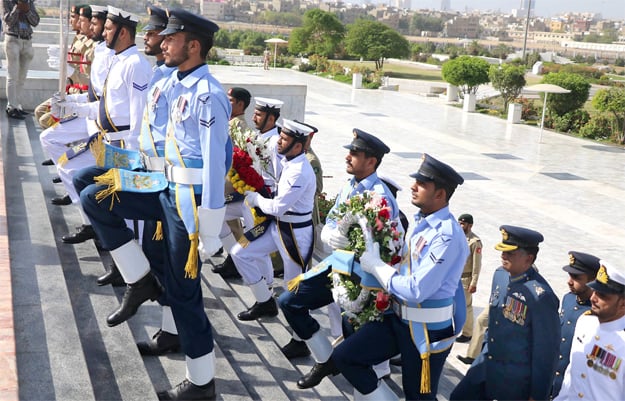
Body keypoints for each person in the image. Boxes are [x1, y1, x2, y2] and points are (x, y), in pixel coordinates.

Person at [79, 8, 231, 400]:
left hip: (189, 203)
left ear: (193, 46)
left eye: (172, 38)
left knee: (184, 290)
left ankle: (202, 382)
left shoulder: (207, 95)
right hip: (160, 185)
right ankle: (139, 278)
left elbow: (216, 164)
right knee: (93, 195)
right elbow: (155, 145)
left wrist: (211, 228)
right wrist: (115, 161)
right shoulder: (174, 83)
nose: (162, 42)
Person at [332, 153, 468, 400]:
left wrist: (376, 266)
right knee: (346, 357)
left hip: (427, 332)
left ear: (440, 194)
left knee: (419, 397)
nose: (413, 187)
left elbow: (417, 289)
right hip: (398, 318)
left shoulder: (446, 236)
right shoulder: (423, 221)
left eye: (423, 184)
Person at [277, 129, 399, 389]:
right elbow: (332, 218)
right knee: (290, 301)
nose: (348, 156)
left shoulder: (381, 197)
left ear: (371, 161)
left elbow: (389, 246)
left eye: (355, 153)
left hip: (361, 278)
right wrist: (331, 234)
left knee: (353, 342)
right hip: (338, 267)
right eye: (350, 151)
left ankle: (362, 382)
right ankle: (325, 359)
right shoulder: (350, 186)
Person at [53, 5, 152, 243]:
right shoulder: (118, 61)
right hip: (109, 143)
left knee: (128, 215)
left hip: (125, 147)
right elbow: (106, 108)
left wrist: (136, 155)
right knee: (100, 195)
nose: (105, 33)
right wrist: (72, 108)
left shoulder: (135, 65)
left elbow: (140, 114)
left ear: (124, 33)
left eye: (108, 28)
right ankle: (123, 260)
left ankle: (135, 268)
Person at [450, 225, 560, 401]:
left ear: (529, 258)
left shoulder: (541, 296)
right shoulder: (500, 275)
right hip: (486, 366)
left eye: (510, 253)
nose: (503, 256)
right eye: (503, 251)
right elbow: (494, 323)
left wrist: (537, 394)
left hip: (513, 381)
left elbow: (546, 352)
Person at [229, 119, 316, 322]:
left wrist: (256, 199)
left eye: (284, 139)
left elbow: (278, 207)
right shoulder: (287, 162)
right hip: (277, 226)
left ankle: (299, 338)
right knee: (239, 252)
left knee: (293, 286)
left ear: (297, 146)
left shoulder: (299, 172)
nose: (279, 141)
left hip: (294, 234)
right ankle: (264, 301)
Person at [39, 5, 113, 213]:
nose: (83, 25)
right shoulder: (99, 49)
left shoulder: (116, 58)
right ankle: (77, 197)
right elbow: (94, 91)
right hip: (89, 115)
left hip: (102, 128)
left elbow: (106, 100)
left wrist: (77, 106)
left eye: (95, 24)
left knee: (68, 164)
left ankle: (86, 213)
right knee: (51, 141)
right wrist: (72, 102)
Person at [213, 97, 283, 279]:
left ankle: (266, 288)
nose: (253, 118)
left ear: (271, 118)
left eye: (259, 115)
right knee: (216, 215)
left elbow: (277, 177)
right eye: (254, 113)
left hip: (262, 200)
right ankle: (234, 260)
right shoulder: (257, 137)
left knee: (257, 249)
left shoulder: (275, 143)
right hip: (247, 195)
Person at [554, 261, 625, 401]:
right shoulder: (584, 322)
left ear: (623, 304)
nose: (593, 298)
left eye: (603, 296)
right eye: (595, 291)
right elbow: (571, 376)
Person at [551, 251, 600, 399]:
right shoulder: (568, 299)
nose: (569, 281)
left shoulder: (596, 312)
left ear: (592, 280)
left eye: (576, 277)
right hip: (553, 381)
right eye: (570, 275)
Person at [2, 0, 40, 119]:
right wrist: (17, 8)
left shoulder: (28, 2)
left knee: (22, 77)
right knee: (12, 76)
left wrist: (27, 10)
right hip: (13, 39)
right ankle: (11, 107)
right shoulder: (6, 1)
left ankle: (17, 106)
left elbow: (35, 21)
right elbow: (7, 20)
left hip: (27, 40)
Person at [456, 213, 482, 343]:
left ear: (470, 225)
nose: (460, 226)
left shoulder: (474, 242)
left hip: (465, 279)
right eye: (459, 223)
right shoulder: (456, 237)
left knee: (466, 306)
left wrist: (474, 282)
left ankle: (467, 333)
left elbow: (477, 265)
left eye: (463, 224)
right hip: (454, 277)